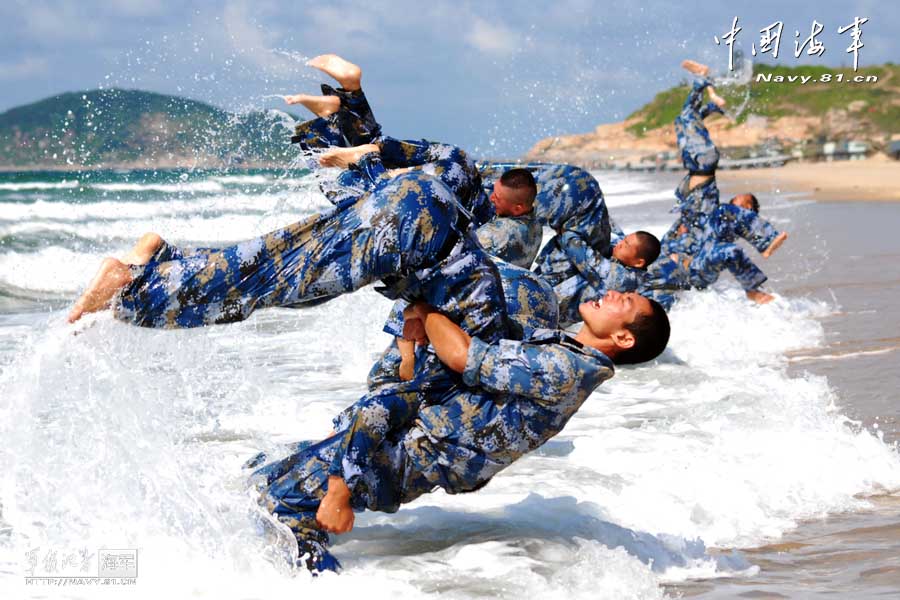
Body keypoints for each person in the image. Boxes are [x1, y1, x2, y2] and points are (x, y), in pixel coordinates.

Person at [249, 286, 670, 572]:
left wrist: (426, 309)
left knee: (282, 506)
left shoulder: (567, 369)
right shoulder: (562, 347)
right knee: (263, 475)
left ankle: (320, 585)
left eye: (626, 302)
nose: (613, 293)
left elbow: (463, 356)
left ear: (623, 337)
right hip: (407, 439)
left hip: (410, 456)